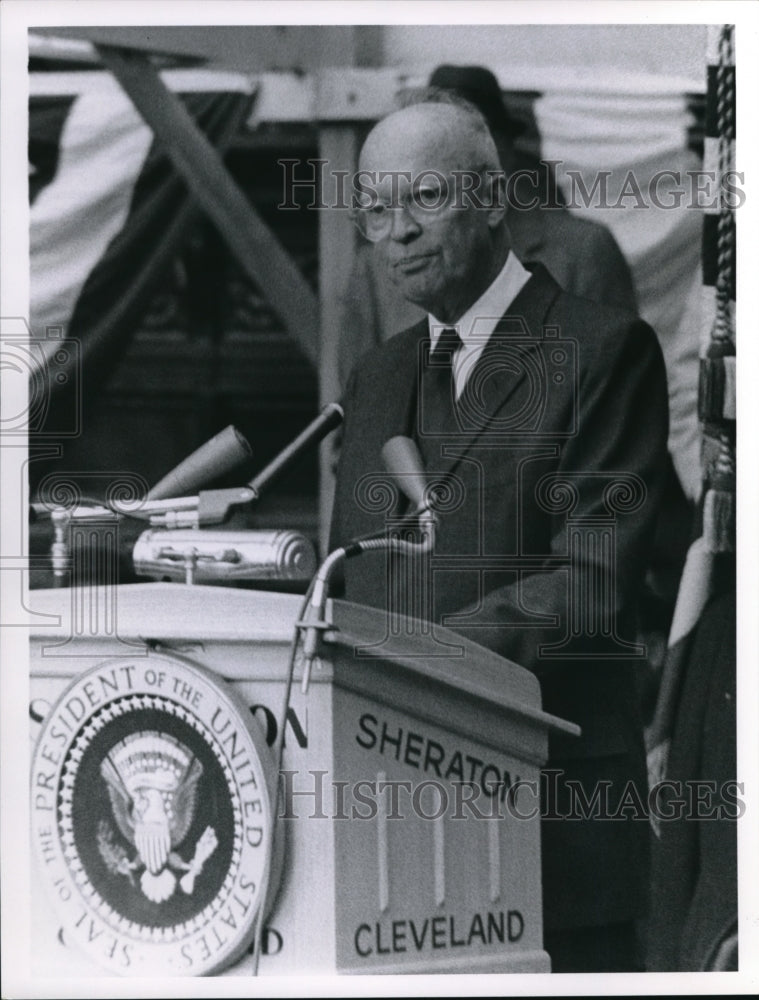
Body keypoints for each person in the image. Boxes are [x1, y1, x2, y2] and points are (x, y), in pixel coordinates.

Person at [329, 95, 669, 972]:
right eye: (375, 210)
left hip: (549, 817)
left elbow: (591, 582)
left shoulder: (602, 349)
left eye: (424, 199)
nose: (396, 231)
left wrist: (407, 662)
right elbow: (348, 581)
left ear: (492, 199)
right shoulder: (377, 376)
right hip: (394, 830)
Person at [337, 64, 638, 391]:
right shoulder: (375, 269)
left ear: (503, 152)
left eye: (429, 193)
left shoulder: (583, 251)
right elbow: (353, 417)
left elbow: (619, 393)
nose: (403, 229)